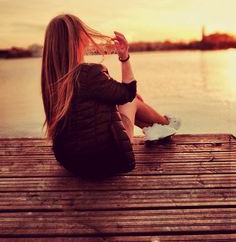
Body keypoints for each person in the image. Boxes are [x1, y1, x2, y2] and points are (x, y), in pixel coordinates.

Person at [41, 14, 179, 180]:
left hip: (72, 163)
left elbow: (87, 109)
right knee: (132, 100)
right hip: (106, 158)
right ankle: (166, 124)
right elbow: (128, 92)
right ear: (76, 39)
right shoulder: (87, 73)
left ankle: (155, 129)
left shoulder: (50, 79)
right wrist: (124, 57)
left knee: (125, 100)